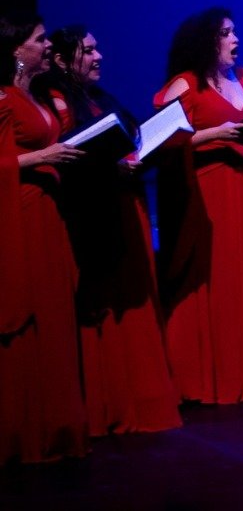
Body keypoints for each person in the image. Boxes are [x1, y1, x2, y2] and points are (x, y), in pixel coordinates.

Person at [42, 25, 181, 434]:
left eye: (98, 47)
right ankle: (109, 402)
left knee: (133, 304)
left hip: (124, 205)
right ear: (63, 60)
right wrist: (113, 164)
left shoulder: (97, 97)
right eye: (87, 50)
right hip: (94, 215)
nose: (99, 55)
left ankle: (139, 395)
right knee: (105, 306)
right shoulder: (58, 100)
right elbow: (72, 153)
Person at [153, 7, 243, 404]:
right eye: (227, 33)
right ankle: (209, 376)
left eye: (235, 32)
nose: (235, 39)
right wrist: (215, 133)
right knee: (216, 278)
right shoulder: (186, 84)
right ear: (207, 41)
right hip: (209, 194)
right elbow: (164, 142)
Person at [0, 13, 89, 463]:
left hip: (50, 212)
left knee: (55, 312)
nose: (46, 43)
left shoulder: (35, 95)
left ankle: (59, 427)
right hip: (23, 215)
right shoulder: (2, 99)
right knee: (31, 313)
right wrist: (43, 156)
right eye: (38, 39)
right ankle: (25, 431)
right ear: (17, 49)